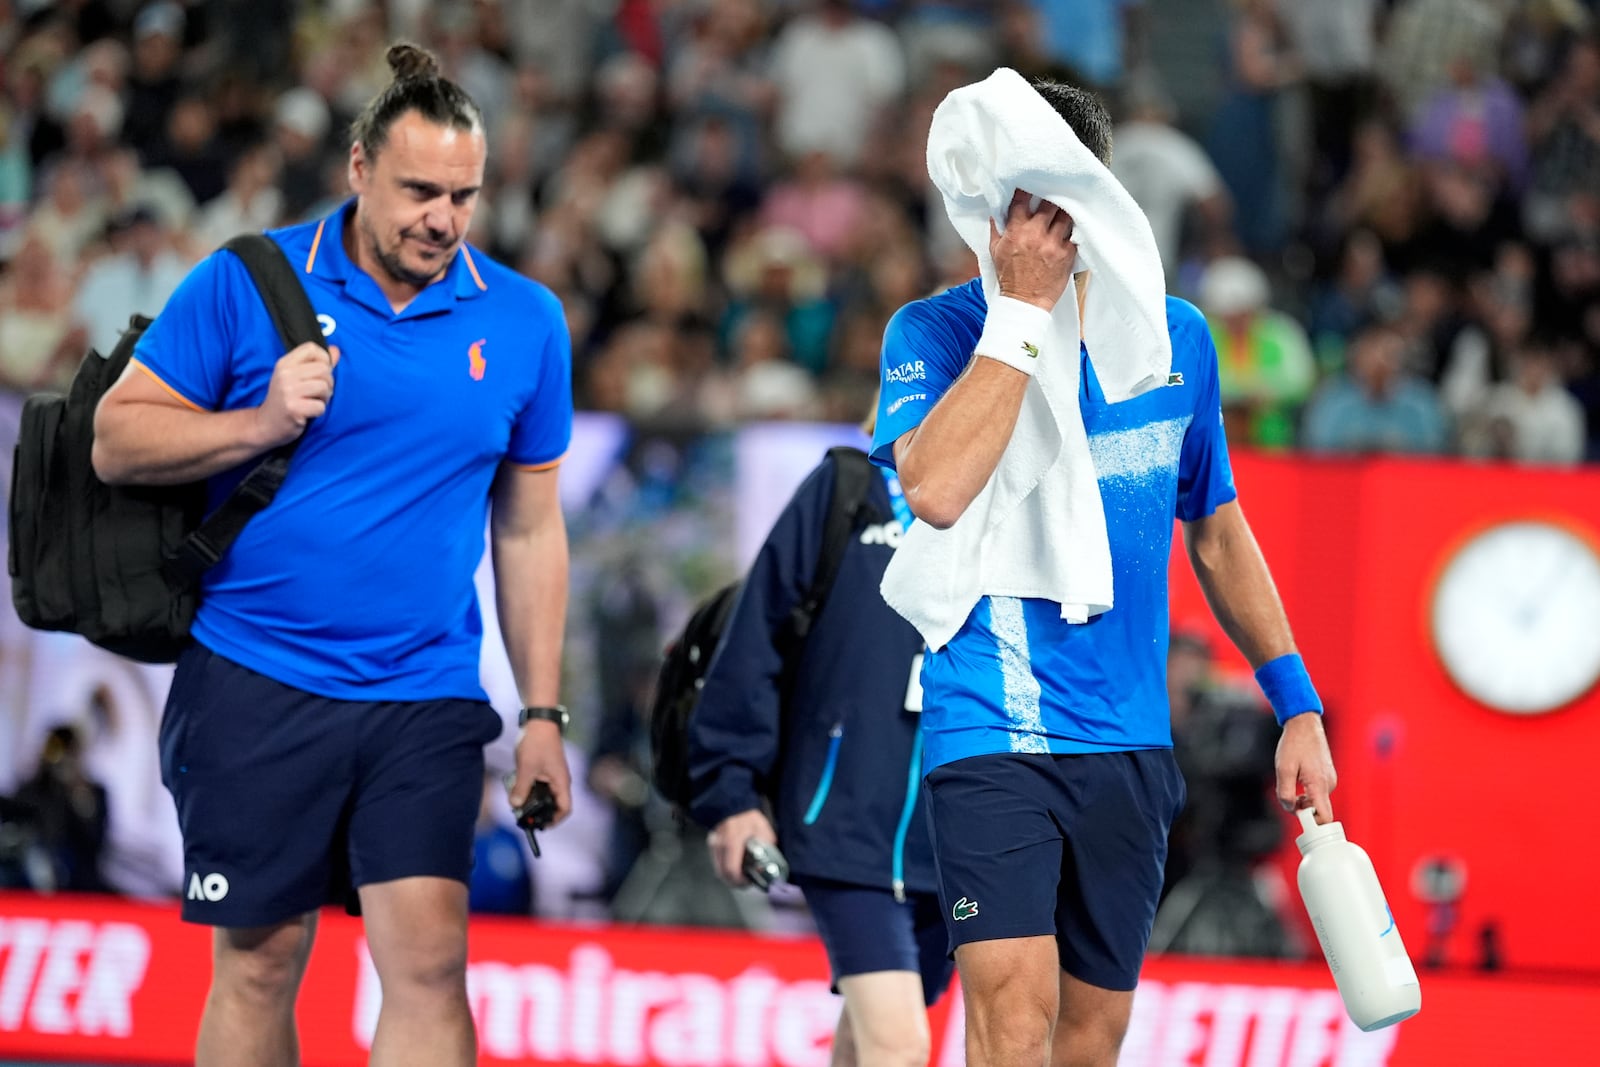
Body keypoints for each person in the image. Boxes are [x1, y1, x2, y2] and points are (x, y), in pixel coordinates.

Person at [90, 42, 574, 1067]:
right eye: (417, 191)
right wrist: (256, 421)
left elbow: (530, 525)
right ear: (357, 168)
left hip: (424, 691)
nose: (442, 218)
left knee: (431, 963)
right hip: (254, 678)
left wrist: (540, 715)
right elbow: (116, 437)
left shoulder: (525, 321)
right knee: (260, 962)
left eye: (463, 195)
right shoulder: (246, 281)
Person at [871, 80, 1337, 1067]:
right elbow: (937, 486)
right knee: (1011, 1016)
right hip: (988, 721)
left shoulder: (1179, 343)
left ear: (1088, 193)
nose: (1008, 220)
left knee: (1090, 1036)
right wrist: (1023, 313)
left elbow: (1215, 530)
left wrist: (1296, 704)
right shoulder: (933, 332)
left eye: (1035, 193)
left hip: (1129, 738)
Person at [689, 413, 952, 1067]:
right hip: (845, 828)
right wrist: (731, 792)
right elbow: (754, 640)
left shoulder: (1007, 505)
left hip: (956, 838)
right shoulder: (847, 488)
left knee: (868, 1040)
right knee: (900, 1046)